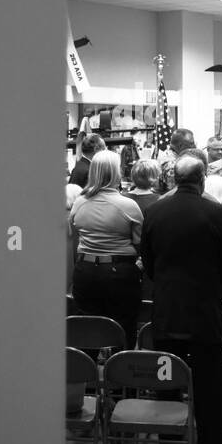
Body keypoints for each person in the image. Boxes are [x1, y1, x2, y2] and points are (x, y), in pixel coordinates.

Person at [140, 156, 222, 444]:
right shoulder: (217, 214)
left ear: (174, 179)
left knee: (167, 387)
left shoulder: (153, 211)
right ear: (202, 179)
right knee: (210, 392)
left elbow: (150, 264)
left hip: (167, 313)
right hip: (205, 315)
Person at [68, 150, 143, 350]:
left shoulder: (79, 202)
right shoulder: (128, 206)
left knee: (88, 327)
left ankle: (88, 376)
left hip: (85, 270)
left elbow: (73, 229)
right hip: (119, 273)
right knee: (124, 327)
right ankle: (122, 374)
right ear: (115, 172)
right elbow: (139, 244)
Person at [156, 129, 195, 193]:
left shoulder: (174, 156)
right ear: (180, 146)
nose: (194, 146)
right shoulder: (171, 166)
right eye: (191, 143)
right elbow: (173, 192)